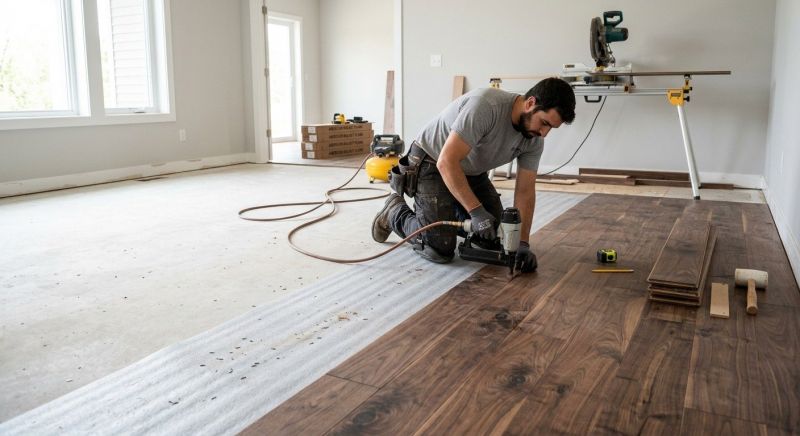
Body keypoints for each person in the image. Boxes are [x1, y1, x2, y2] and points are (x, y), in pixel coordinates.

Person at [371, 77, 576, 273]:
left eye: (551, 128)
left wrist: (522, 243)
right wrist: (476, 212)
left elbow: (525, 191)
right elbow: (447, 162)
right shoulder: (486, 106)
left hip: (470, 171)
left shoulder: (533, 139)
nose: (544, 133)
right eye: (545, 123)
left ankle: (448, 211)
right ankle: (393, 211)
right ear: (531, 103)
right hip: (431, 161)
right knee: (439, 247)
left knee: (497, 236)